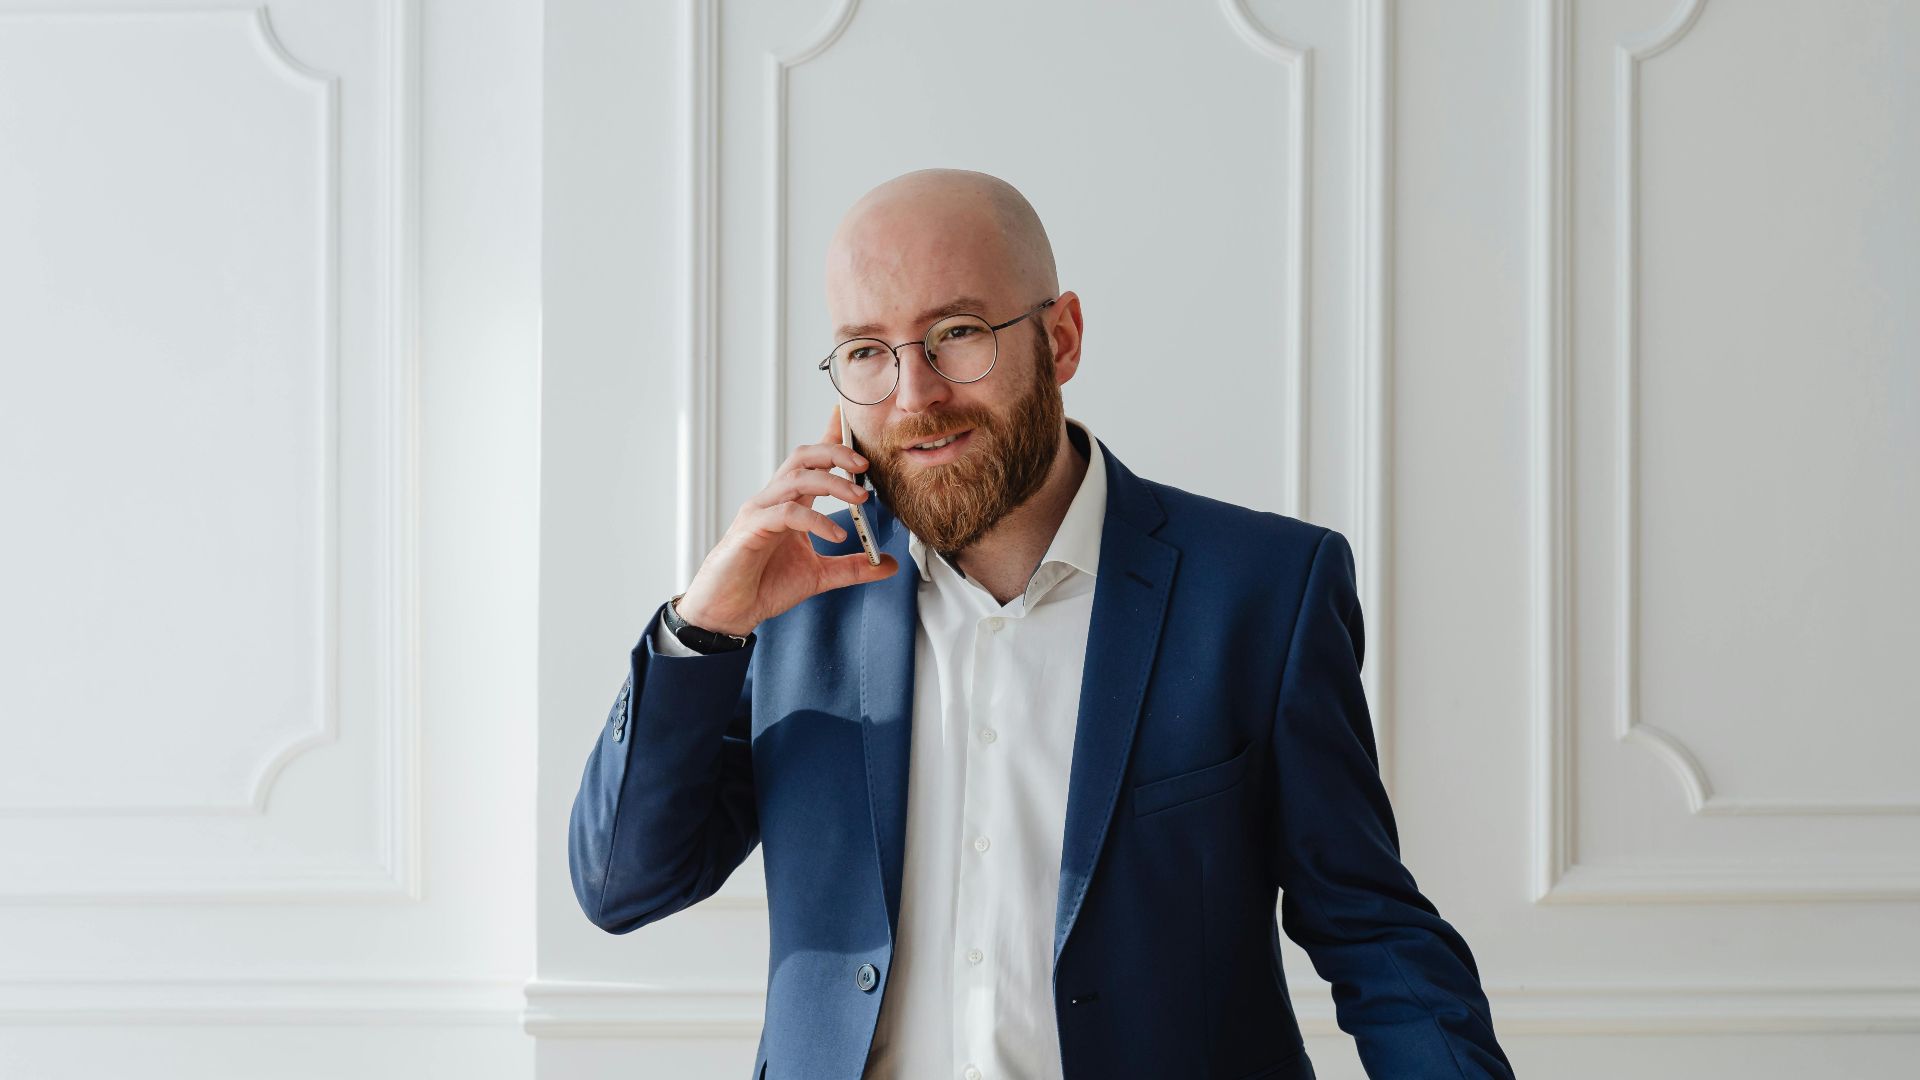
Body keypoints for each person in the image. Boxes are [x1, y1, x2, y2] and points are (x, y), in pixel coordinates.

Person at [568, 168, 1514, 1080]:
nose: (914, 395)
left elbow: (1374, 934)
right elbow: (623, 887)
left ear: (1060, 340)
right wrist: (703, 627)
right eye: (868, 351)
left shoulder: (1263, 591)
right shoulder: (792, 601)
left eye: (958, 333)